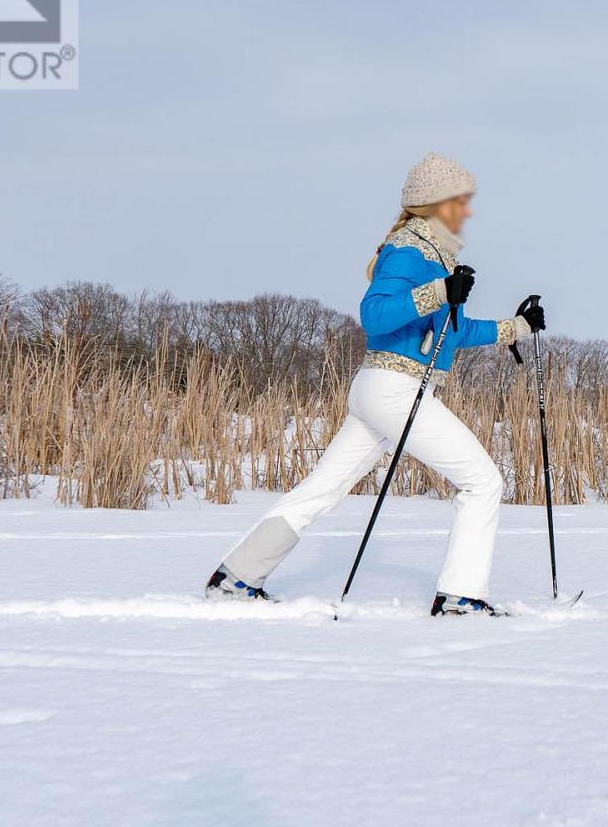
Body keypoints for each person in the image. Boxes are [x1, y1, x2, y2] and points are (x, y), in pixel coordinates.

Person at [205, 152, 544, 616]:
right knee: (483, 480)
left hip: (379, 390)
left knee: (322, 488)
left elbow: (453, 332)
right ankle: (461, 598)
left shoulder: (437, 258)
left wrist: (517, 327)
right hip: (394, 388)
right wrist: (439, 291)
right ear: (436, 204)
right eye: (461, 201)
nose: (468, 211)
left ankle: (236, 576)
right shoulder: (409, 251)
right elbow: (374, 315)